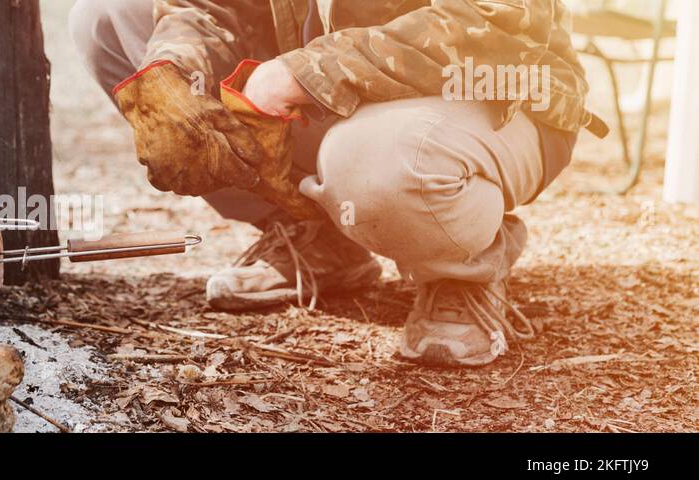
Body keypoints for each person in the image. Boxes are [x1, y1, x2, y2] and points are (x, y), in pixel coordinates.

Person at [68, 0, 606, 366]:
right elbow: (206, 5)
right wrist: (176, 70)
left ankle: (459, 269)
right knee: (111, 16)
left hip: (493, 94)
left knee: (378, 160)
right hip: (343, 97)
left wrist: (306, 72)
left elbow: (499, 20)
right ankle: (314, 231)